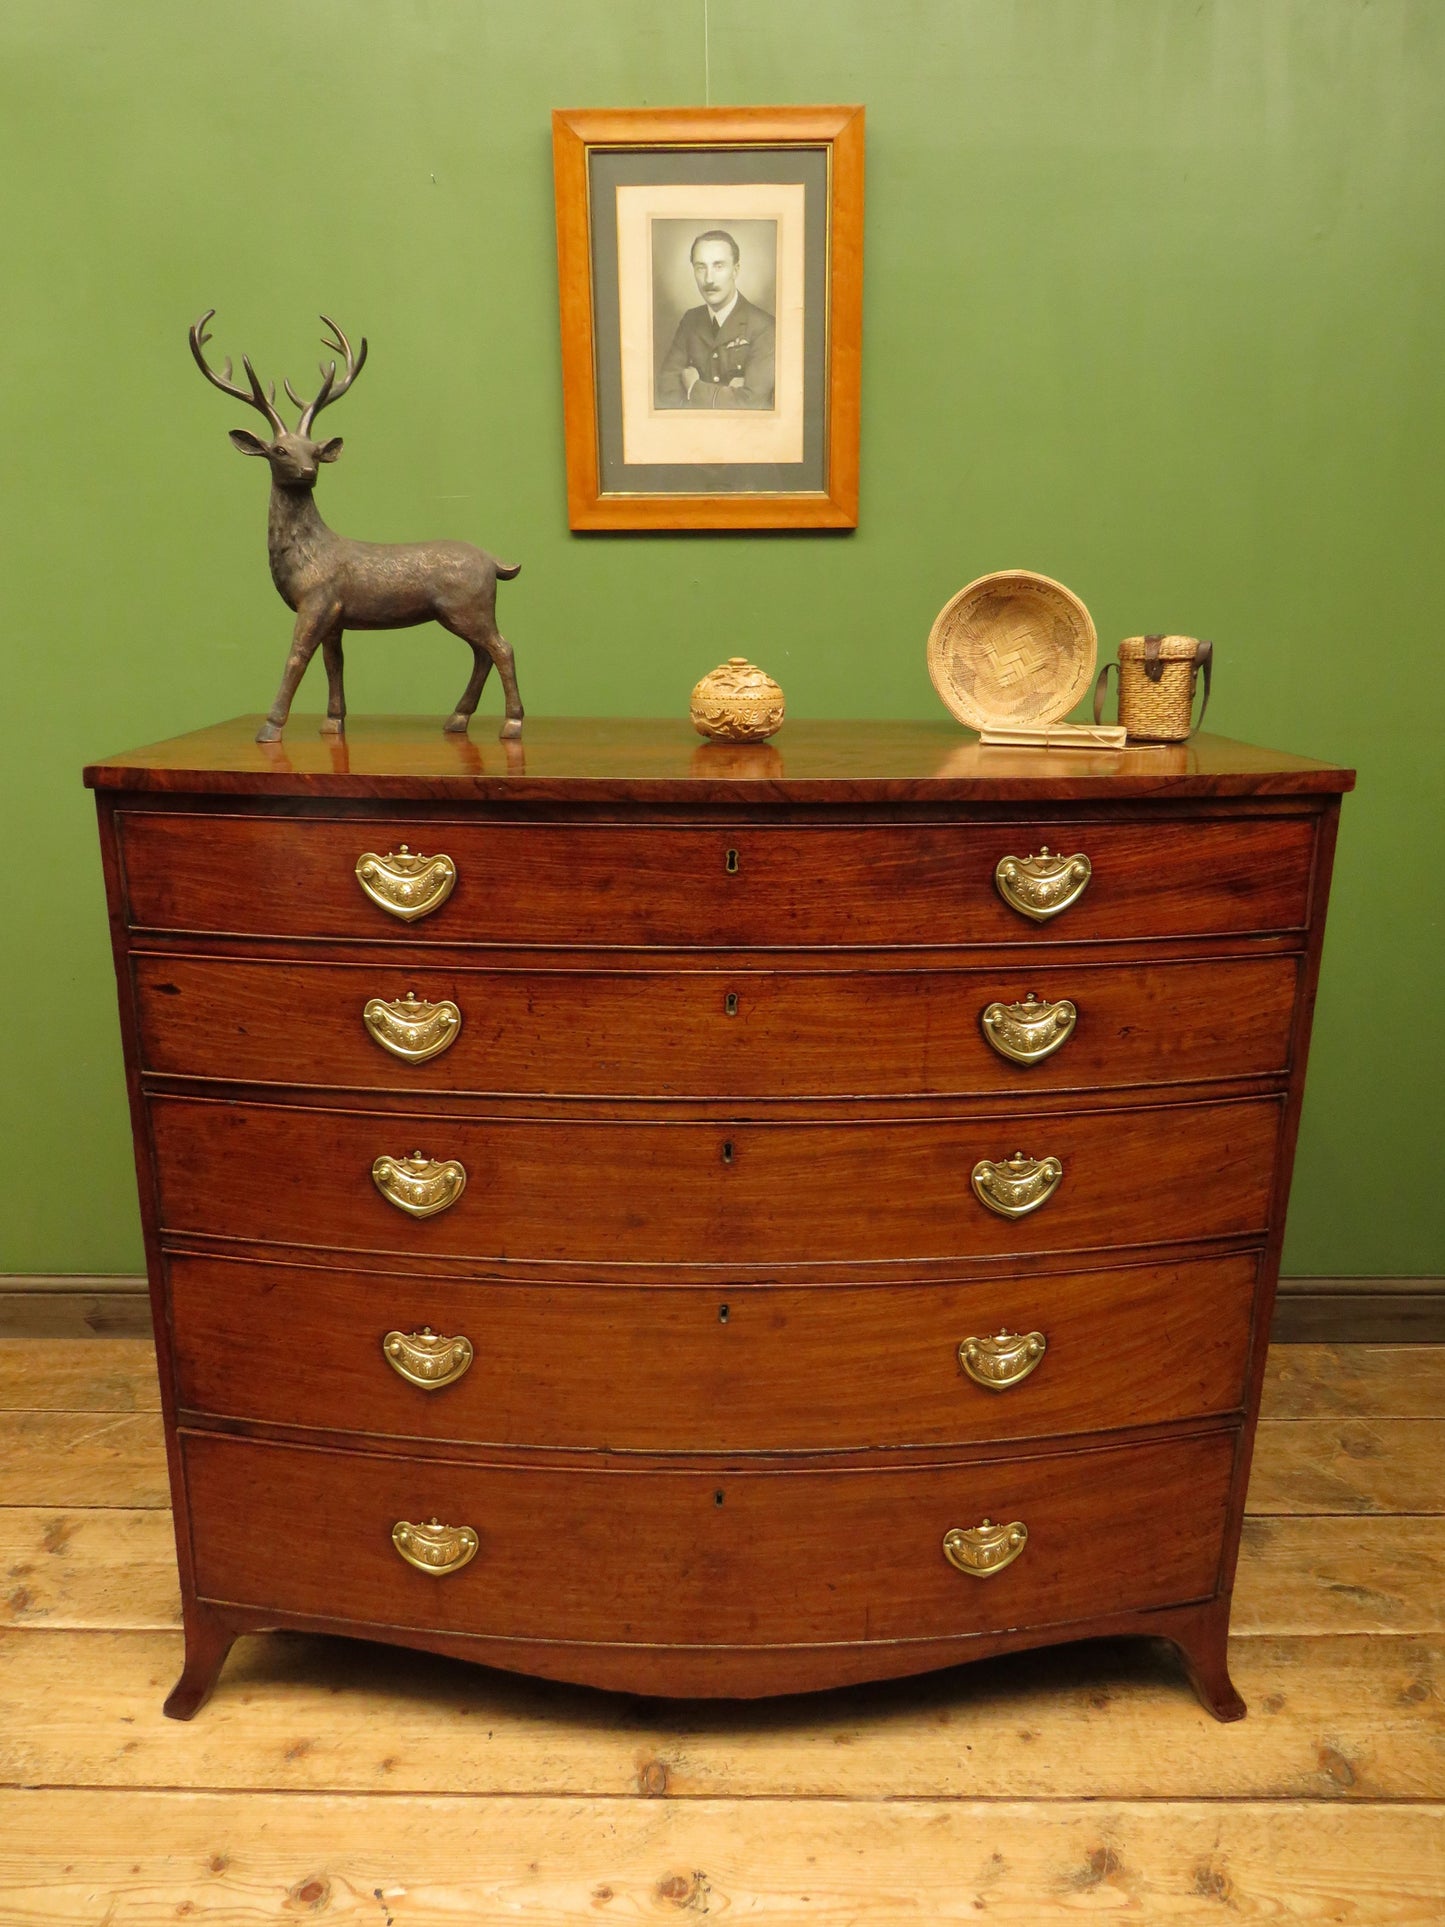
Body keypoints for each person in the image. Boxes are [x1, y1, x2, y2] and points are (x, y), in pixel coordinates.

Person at [656, 229, 775, 409]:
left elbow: (751, 403)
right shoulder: (690, 320)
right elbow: (666, 391)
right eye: (700, 267)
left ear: (735, 270)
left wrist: (693, 388)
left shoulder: (764, 326)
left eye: (718, 266)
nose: (708, 279)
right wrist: (728, 394)